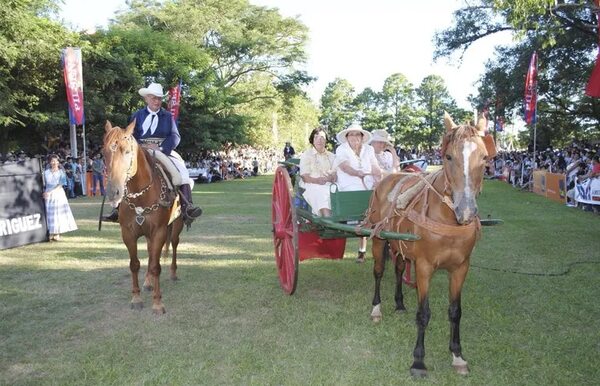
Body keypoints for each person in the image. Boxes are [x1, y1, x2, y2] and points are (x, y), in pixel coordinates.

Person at [103, 82, 202, 224]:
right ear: (146, 99)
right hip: (139, 151)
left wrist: (160, 148)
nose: (157, 101)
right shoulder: (137, 115)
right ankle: (118, 208)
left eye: (159, 99)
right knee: (123, 171)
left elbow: (175, 136)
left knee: (181, 172)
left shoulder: (167, 116)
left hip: (162, 150)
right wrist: (138, 147)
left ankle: (187, 207)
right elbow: (129, 136)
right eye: (153, 98)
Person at [333, 123, 382, 263]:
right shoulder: (341, 149)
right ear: (347, 137)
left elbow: (375, 166)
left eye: (357, 134)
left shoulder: (369, 149)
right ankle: (357, 221)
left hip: (368, 180)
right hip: (348, 181)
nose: (354, 137)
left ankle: (378, 222)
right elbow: (344, 166)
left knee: (381, 192)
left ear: (362, 137)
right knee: (357, 193)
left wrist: (379, 178)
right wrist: (357, 173)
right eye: (351, 134)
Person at [299, 127, 336, 216]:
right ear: (312, 140)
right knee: (322, 192)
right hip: (311, 183)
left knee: (340, 190)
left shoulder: (332, 156)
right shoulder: (307, 155)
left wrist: (331, 177)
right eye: (316, 137)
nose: (319, 140)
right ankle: (327, 219)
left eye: (322, 137)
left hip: (329, 183)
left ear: (326, 140)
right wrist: (317, 180)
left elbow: (336, 174)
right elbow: (304, 177)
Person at [43, 154, 77, 241]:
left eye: (55, 161)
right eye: (52, 161)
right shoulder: (45, 173)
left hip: (57, 194)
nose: (54, 163)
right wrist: (45, 192)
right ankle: (50, 232)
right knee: (49, 213)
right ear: (50, 162)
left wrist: (50, 192)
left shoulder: (61, 172)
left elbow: (61, 184)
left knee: (57, 213)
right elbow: (43, 184)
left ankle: (57, 233)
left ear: (58, 162)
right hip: (47, 194)